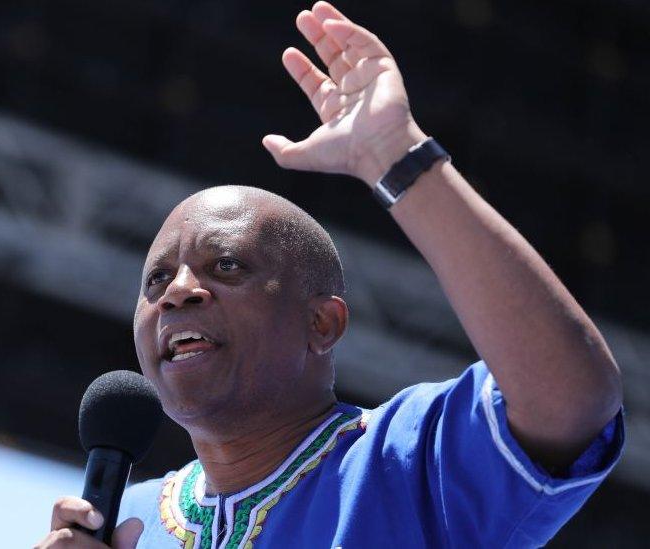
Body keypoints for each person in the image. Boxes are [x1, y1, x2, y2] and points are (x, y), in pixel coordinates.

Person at [34, 2, 624, 547]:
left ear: (322, 322)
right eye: (156, 282)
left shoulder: (406, 458)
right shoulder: (125, 525)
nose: (179, 292)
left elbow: (570, 398)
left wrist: (398, 158)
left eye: (228, 265)